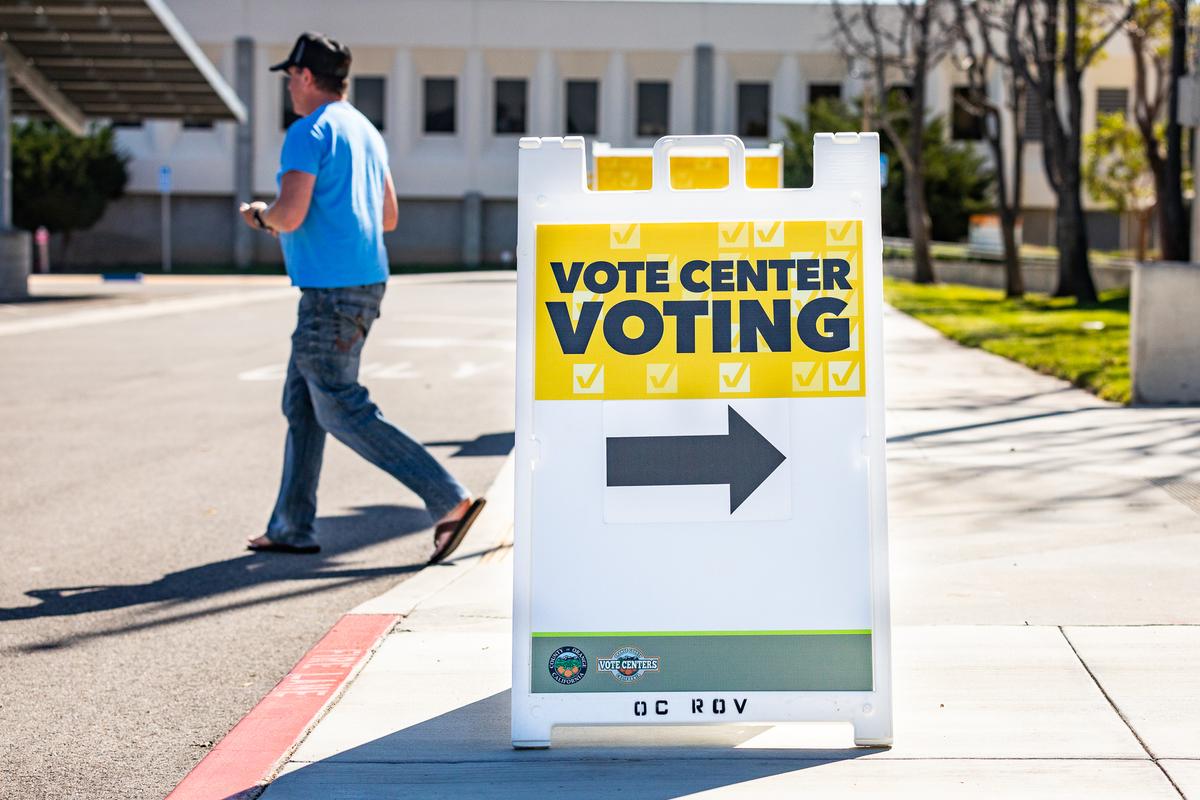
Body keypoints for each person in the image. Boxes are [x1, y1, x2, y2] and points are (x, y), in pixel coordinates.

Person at [238, 31, 484, 564]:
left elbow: (291, 214)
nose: (288, 87)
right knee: (302, 404)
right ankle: (291, 524)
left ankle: (449, 499)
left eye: (289, 77)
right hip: (364, 282)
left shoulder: (309, 132)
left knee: (342, 408)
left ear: (305, 76)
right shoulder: (367, 132)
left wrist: (260, 214)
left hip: (329, 292)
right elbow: (389, 216)